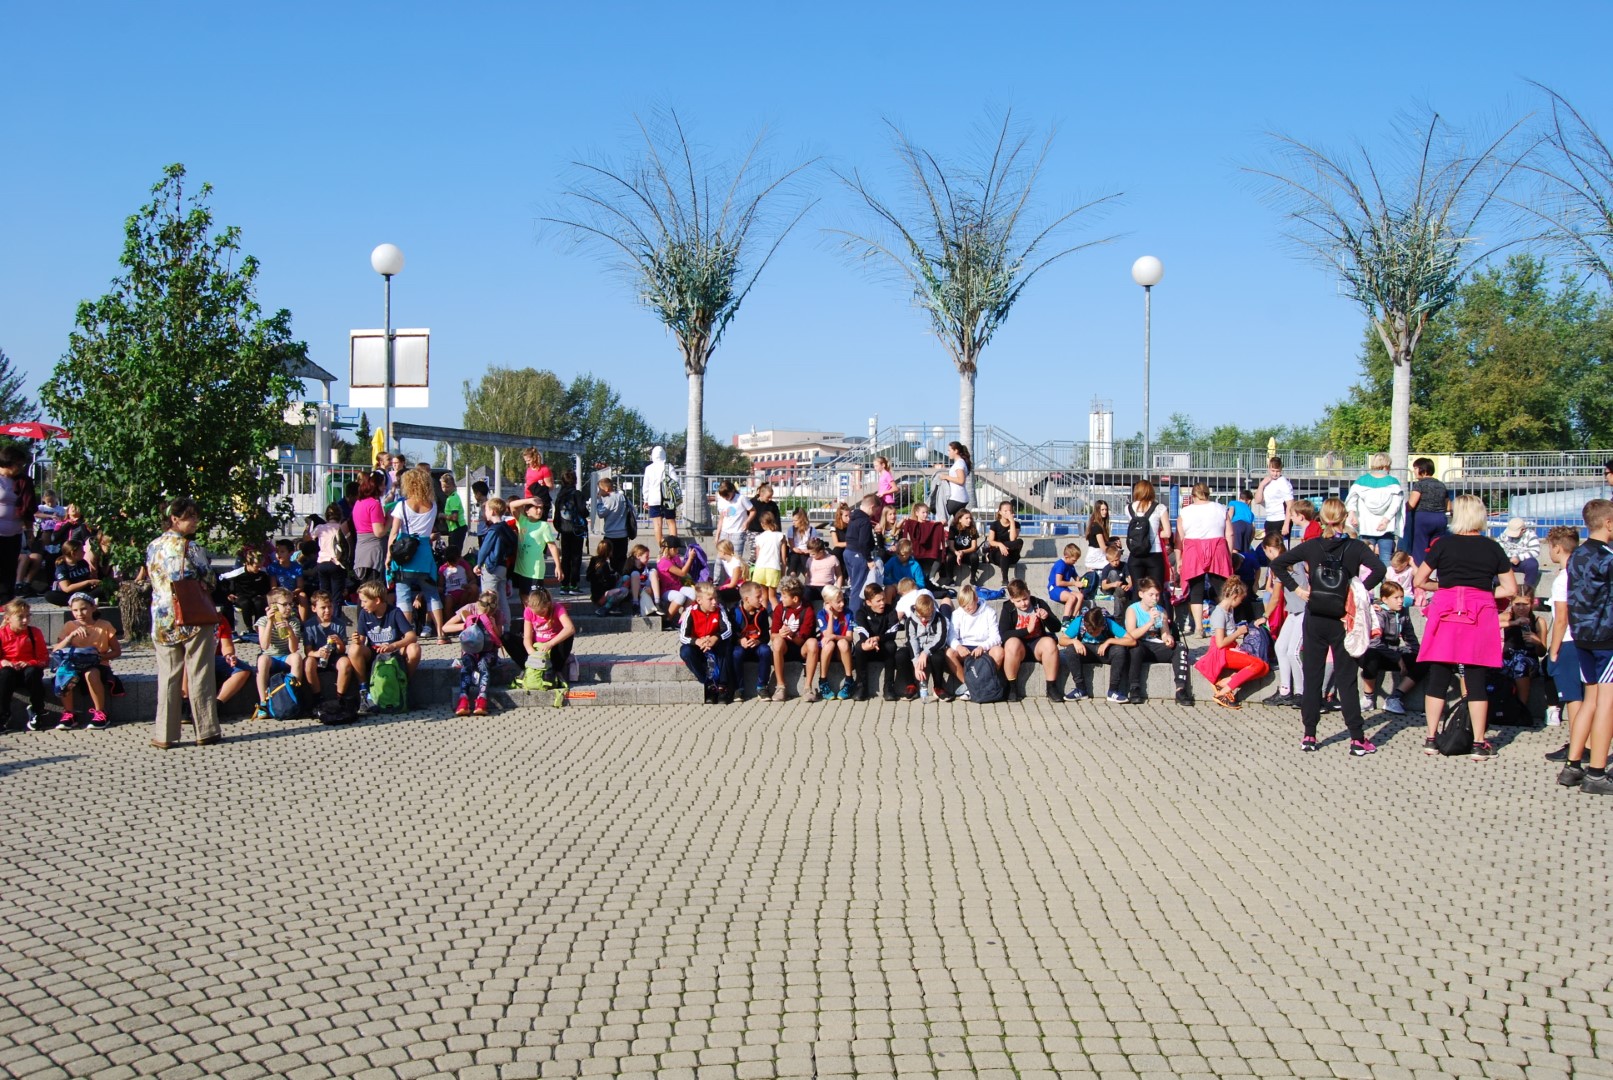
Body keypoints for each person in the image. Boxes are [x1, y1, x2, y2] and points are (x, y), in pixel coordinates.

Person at [1272, 498, 1386, 755]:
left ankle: (1309, 735)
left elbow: (1277, 563)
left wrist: (1297, 589)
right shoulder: (1355, 547)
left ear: (1321, 519)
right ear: (1344, 518)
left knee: (1312, 676)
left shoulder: (1312, 545)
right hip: (1342, 618)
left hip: (1315, 616)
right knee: (1346, 679)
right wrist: (1356, 591)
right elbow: (1379, 569)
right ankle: (1357, 739)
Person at [1413, 494, 1514, 760]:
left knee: (1438, 674)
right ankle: (1479, 743)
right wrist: (1483, 593)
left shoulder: (1443, 545)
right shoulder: (1492, 548)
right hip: (1479, 613)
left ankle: (1431, 738)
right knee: (1476, 677)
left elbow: (1419, 580)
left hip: (1446, 610)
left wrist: (1444, 587)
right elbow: (1510, 588)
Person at [147, 498, 220, 748]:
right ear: (175, 518)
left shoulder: (153, 546)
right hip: (192, 614)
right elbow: (210, 579)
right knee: (199, 672)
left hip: (162, 617)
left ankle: (164, 734)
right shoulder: (191, 547)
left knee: (168, 675)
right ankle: (206, 730)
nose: (196, 521)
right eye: (191, 517)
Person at [1560, 500, 1613, 793]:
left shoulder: (1577, 554)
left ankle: (1572, 765)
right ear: (1608, 523)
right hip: (1607, 636)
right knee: (1607, 702)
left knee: (1590, 698)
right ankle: (1596, 773)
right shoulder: (1608, 557)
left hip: (1581, 635)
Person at [387, 467, 446, 641]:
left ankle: (408, 635)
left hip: (405, 556)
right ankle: (440, 634)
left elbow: (393, 533)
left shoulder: (402, 506)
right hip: (425, 554)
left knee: (403, 595)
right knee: (432, 594)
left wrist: (388, 557)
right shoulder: (433, 506)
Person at [1194, 578, 1270, 710]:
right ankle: (1222, 693)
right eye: (1240, 599)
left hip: (1230, 648)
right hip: (1221, 653)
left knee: (1265, 668)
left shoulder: (1229, 610)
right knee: (1257, 664)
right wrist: (1238, 632)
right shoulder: (1219, 613)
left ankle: (1226, 682)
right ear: (1234, 596)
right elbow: (1220, 643)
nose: (1240, 602)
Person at [349, 579, 420, 712]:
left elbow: (412, 636)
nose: (362, 605)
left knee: (414, 648)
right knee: (353, 649)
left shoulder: (395, 612)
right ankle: (364, 691)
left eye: (364, 601)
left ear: (377, 600)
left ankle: (403, 684)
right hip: (374, 654)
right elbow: (361, 640)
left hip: (393, 654)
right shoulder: (364, 614)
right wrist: (356, 640)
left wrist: (393, 646)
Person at [1544, 527, 1584, 759]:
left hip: (1568, 642)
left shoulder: (1563, 579)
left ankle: (1576, 747)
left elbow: (1561, 618)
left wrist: (1554, 649)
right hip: (1586, 640)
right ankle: (1586, 744)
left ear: (1557, 548)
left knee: (1573, 698)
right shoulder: (1583, 572)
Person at [54, 592, 121, 730]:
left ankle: (100, 712)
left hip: (98, 664)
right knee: (64, 672)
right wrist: (70, 637)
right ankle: (69, 714)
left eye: (83, 609)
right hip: (75, 664)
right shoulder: (69, 626)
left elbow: (116, 651)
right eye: (75, 610)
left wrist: (100, 657)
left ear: (93, 607)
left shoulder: (104, 625)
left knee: (91, 673)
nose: (79, 613)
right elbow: (56, 651)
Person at [1176, 483, 1234, 639]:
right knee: (1222, 588)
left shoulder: (1185, 512)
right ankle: (1226, 625)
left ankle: (1199, 628)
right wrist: (1228, 555)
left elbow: (1179, 538)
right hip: (1217, 547)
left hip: (1192, 548)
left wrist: (1179, 558)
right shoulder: (1221, 508)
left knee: (1196, 589)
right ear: (1208, 494)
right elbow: (1229, 534)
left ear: (1193, 496)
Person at [1123, 577, 1193, 706]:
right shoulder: (1132, 610)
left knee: (1179, 647)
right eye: (1151, 595)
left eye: (1157, 595)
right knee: (1135, 648)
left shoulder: (1161, 610)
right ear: (1141, 594)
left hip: (1155, 645)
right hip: (1140, 645)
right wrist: (1150, 622)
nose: (1155, 598)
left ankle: (1180, 689)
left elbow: (1164, 632)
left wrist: (1168, 638)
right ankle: (1134, 687)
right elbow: (1131, 635)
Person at [1357, 581, 1421, 716]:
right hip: (1376, 653)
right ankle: (1368, 698)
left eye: (1402, 597)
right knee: (1371, 654)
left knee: (1423, 661)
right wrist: (1397, 658)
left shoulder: (1403, 612)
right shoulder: (1378, 613)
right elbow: (1375, 642)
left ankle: (1395, 697)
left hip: (1393, 653)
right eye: (1396, 598)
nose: (1400, 601)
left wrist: (1415, 653)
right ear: (1385, 599)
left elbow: (1411, 639)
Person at [999, 580, 1063, 702]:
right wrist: (1027, 630)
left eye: (1025, 599)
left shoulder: (1038, 603)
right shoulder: (1008, 608)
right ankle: (1011, 688)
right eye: (1018, 601)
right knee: (1011, 643)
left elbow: (1057, 628)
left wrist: (1047, 618)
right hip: (1018, 648)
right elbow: (1003, 634)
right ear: (1012, 599)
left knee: (1049, 643)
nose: (1023, 603)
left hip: (1037, 645)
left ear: (1029, 593)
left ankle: (1051, 687)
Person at [445, 590, 504, 715]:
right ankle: (463, 699)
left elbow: (499, 637)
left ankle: (482, 699)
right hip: (471, 650)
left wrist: (492, 625)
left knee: (483, 664)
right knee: (466, 664)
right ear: (477, 604)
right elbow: (445, 627)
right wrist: (467, 625)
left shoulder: (497, 613)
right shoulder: (469, 609)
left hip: (489, 651)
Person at [1060, 605, 1134, 703]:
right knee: (1070, 650)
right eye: (1090, 632)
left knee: (1119, 650)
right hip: (1086, 652)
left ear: (1102, 626)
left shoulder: (1108, 623)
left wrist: (1109, 641)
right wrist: (1074, 641)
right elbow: (1061, 640)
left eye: (1097, 632)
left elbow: (1131, 641)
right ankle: (1080, 689)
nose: (1093, 635)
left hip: (1104, 652)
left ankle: (1113, 691)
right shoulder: (1079, 622)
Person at [250, 588, 304, 720]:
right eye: (284, 604)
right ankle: (263, 702)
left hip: (286, 656)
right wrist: (270, 622)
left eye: (290, 604)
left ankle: (293, 696)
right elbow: (264, 646)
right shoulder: (263, 621)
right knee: (262, 660)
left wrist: (289, 630)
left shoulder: (294, 621)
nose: (288, 607)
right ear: (273, 606)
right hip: (270, 657)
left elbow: (293, 649)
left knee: (297, 657)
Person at [945, 583, 1004, 698]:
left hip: (984, 647)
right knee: (949, 653)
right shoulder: (957, 614)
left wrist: (982, 647)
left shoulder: (989, 612)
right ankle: (969, 685)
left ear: (976, 599)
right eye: (963, 605)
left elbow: (996, 637)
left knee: (999, 652)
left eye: (969, 604)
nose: (966, 608)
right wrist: (958, 647)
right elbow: (951, 636)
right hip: (965, 647)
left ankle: (983, 684)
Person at [1344, 453, 1405, 565]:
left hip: (1365, 525)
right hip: (1386, 527)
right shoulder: (1393, 482)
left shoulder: (1361, 481)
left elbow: (1351, 499)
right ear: (1387, 465)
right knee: (1386, 558)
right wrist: (1386, 520)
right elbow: (1396, 504)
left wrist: (1352, 514)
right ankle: (1386, 577)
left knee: (1364, 558)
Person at [678, 582, 733, 704]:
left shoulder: (720, 609)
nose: (714, 602)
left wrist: (714, 638)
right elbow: (682, 636)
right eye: (710, 599)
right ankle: (708, 684)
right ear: (699, 600)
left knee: (727, 646)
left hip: (715, 644)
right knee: (685, 651)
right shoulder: (690, 611)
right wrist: (697, 641)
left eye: (716, 598)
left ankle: (723, 686)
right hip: (699, 646)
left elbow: (728, 630)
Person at [0, 599, 48, 730]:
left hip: (28, 673)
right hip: (9, 674)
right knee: (5, 674)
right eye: (20, 617)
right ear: (8, 619)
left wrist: (28, 663)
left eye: (28, 616)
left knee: (33, 672)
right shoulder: (1, 634)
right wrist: (3, 662)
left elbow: (44, 658)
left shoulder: (34, 632)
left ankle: (37, 710)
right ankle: (3, 714)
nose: (25, 620)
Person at [1123, 480, 1171, 611]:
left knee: (1137, 591)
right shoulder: (1159, 508)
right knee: (1156, 590)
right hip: (1154, 554)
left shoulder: (1128, 508)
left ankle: (1135, 619)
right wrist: (1156, 532)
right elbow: (1167, 533)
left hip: (1135, 555)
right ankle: (1158, 620)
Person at [767, 577, 816, 702]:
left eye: (784, 596)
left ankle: (808, 688)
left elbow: (801, 641)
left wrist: (792, 634)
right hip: (785, 648)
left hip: (801, 648)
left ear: (795, 599)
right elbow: (773, 635)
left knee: (813, 643)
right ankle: (780, 687)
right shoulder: (780, 608)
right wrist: (780, 634)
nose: (781, 599)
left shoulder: (807, 610)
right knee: (777, 641)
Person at [1500, 587, 1546, 720]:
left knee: (1520, 662)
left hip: (1528, 660)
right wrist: (1513, 623)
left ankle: (1520, 709)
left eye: (1525, 604)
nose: (1521, 608)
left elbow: (1542, 652)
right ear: (1511, 603)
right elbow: (1488, 624)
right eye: (1517, 604)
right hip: (1507, 657)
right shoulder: (1506, 617)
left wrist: (1537, 642)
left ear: (1531, 603)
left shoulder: (1538, 621)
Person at [896, 592, 952, 701]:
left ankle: (938, 687)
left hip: (933, 648)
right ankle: (911, 685)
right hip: (917, 647)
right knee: (901, 655)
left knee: (938, 657)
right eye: (920, 616)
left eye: (927, 617)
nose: (923, 620)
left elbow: (941, 640)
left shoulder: (940, 619)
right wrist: (916, 663)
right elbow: (911, 640)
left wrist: (925, 652)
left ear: (932, 610)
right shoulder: (910, 620)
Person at [0, 443, 37, 605]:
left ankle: (6, 601)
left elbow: (28, 508)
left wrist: (29, 531)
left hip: (14, 532)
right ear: (8, 462)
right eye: (18, 464)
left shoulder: (22, 482)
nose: (21, 467)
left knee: (9, 567)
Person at [301, 591, 353, 704]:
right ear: (314, 608)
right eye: (323, 608)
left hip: (334, 657)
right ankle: (317, 698)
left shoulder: (339, 623)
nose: (327, 610)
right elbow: (308, 651)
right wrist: (317, 653)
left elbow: (342, 650)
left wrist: (339, 642)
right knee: (308, 663)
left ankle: (340, 698)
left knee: (345, 663)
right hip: (317, 658)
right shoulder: (309, 625)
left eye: (330, 607)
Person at [851, 583, 900, 701]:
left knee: (891, 645)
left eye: (883, 599)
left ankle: (889, 686)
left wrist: (878, 639)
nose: (882, 603)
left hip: (883, 647)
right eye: (878, 601)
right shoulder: (861, 612)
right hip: (869, 647)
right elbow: (862, 630)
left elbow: (892, 633)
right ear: (869, 602)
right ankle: (861, 686)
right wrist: (868, 642)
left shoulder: (891, 610)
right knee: (859, 647)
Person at [472, 497, 516, 625]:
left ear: (493, 511)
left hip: (491, 567)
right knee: (502, 600)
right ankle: (506, 628)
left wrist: (478, 564)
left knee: (488, 600)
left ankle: (488, 628)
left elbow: (484, 549)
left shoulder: (493, 530)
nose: (485, 513)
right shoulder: (506, 528)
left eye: (486, 510)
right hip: (503, 567)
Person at [727, 582, 773, 700]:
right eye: (758, 596)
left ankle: (762, 687)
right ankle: (738, 689)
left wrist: (759, 641)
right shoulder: (734, 612)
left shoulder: (762, 612)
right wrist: (739, 640)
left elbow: (766, 636)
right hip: (741, 647)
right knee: (736, 653)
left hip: (756, 647)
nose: (761, 599)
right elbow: (729, 635)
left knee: (766, 650)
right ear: (747, 599)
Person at [810, 585, 856, 701]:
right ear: (828, 603)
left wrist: (835, 636)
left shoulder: (848, 613)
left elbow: (850, 638)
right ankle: (823, 681)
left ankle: (849, 680)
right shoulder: (821, 615)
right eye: (838, 602)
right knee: (829, 644)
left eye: (843, 600)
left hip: (843, 651)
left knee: (842, 642)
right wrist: (830, 616)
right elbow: (827, 636)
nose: (842, 604)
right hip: (828, 650)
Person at [509, 498, 561, 596]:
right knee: (523, 596)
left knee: (535, 599)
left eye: (541, 508)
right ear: (527, 511)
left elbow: (552, 546)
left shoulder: (543, 526)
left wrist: (558, 566)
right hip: (520, 569)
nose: (539, 511)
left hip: (535, 571)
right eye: (536, 508)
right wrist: (529, 501)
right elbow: (512, 505)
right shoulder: (522, 521)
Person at [1404, 458, 1450, 565]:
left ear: (1423, 469)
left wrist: (1401, 509)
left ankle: (1420, 571)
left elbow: (1411, 504)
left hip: (1423, 518)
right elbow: (1448, 507)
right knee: (1438, 547)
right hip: (1440, 518)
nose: (1414, 471)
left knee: (1420, 548)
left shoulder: (1419, 484)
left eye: (1415, 468)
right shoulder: (1441, 485)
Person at [552, 470, 587, 592]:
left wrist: (559, 527)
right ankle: (574, 584)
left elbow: (557, 514)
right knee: (576, 557)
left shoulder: (560, 495)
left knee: (566, 557)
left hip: (564, 529)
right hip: (577, 529)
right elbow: (583, 511)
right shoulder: (577, 494)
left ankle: (564, 584)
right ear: (575, 481)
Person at [350, 473, 388, 586]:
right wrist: (390, 520)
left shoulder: (359, 502)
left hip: (361, 552)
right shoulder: (374, 504)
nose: (384, 487)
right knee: (374, 590)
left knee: (364, 591)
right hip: (373, 553)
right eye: (382, 485)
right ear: (376, 487)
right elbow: (379, 532)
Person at [843, 495, 876, 616]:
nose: (874, 514)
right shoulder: (865, 521)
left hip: (848, 552)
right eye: (875, 510)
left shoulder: (853, 517)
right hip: (858, 555)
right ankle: (855, 617)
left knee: (854, 585)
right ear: (872, 507)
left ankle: (853, 613)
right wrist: (869, 559)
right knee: (858, 587)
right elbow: (863, 543)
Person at [308, 504, 349, 602]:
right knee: (337, 594)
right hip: (336, 562)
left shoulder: (320, 527)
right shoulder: (342, 527)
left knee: (324, 594)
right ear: (340, 515)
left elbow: (308, 538)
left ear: (326, 515)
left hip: (322, 562)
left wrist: (309, 525)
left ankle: (323, 609)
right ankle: (336, 611)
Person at [592, 477, 631, 574]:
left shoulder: (609, 499)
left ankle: (612, 578)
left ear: (606, 489)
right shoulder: (622, 497)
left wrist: (599, 501)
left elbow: (601, 513)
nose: (599, 492)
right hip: (623, 534)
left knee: (610, 558)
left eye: (600, 489)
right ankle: (622, 578)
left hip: (611, 534)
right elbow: (633, 511)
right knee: (622, 559)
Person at [651, 539, 699, 619]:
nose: (678, 551)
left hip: (678, 587)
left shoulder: (675, 558)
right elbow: (682, 573)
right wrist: (690, 558)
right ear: (672, 549)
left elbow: (683, 569)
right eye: (677, 549)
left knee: (693, 593)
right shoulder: (664, 561)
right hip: (666, 591)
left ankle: (684, 617)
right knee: (680, 597)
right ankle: (668, 619)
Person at [47, 539, 100, 608]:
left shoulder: (83, 562)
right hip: (71, 593)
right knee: (49, 595)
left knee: (103, 588)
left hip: (85, 591)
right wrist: (88, 582)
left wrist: (93, 582)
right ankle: (82, 600)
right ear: (73, 553)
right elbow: (67, 588)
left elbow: (88, 577)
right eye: (81, 551)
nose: (84, 552)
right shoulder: (62, 567)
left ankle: (83, 600)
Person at [642, 445, 677, 547]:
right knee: (671, 522)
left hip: (654, 499)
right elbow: (676, 481)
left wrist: (646, 499)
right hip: (668, 498)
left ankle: (661, 548)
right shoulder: (668, 466)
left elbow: (646, 486)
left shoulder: (649, 468)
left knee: (657, 524)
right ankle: (673, 547)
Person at [750, 511, 787, 608]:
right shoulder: (781, 536)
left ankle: (764, 616)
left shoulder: (758, 537)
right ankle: (778, 616)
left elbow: (757, 556)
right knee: (773, 597)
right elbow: (783, 558)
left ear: (762, 524)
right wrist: (783, 572)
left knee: (764, 597)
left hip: (760, 568)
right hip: (773, 568)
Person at [1254, 457, 1293, 542]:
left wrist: (1286, 524)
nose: (1275, 474)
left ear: (1281, 470)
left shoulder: (1283, 483)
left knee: (1280, 548)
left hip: (1281, 519)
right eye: (1273, 471)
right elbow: (1258, 500)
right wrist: (1261, 485)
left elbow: (1290, 504)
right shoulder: (1267, 482)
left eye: (1277, 471)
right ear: (1268, 468)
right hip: (1269, 519)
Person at [1499, 518, 1542, 592]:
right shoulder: (1504, 535)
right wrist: (1507, 558)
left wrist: (1519, 558)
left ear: (1523, 530)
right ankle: (1497, 587)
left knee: (1532, 564)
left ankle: (1527, 590)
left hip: (1523, 561)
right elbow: (1498, 547)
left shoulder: (1530, 535)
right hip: (1507, 561)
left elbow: (1535, 551)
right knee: (1495, 564)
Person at [985, 502, 1023, 586]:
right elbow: (991, 541)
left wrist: (1012, 522)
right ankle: (1005, 580)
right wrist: (1000, 545)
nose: (1008, 513)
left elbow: (1013, 539)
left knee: (1019, 541)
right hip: (997, 553)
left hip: (1012, 554)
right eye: (1005, 511)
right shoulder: (994, 524)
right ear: (1000, 512)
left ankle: (1004, 549)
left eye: (1010, 511)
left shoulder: (1016, 524)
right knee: (1004, 554)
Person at [744, 483, 782, 563]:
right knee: (755, 554)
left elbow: (777, 520)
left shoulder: (773, 505)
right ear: (761, 494)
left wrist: (778, 533)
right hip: (753, 531)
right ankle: (749, 568)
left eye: (771, 497)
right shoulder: (752, 503)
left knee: (767, 552)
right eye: (768, 497)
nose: (770, 499)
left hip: (768, 532)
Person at [714, 480, 752, 560]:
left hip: (738, 533)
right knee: (720, 559)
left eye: (727, 495)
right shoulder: (721, 501)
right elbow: (721, 518)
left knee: (735, 559)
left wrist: (747, 522)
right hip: (724, 532)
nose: (726, 498)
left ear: (732, 490)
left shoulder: (741, 498)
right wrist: (717, 535)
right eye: (724, 496)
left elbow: (753, 511)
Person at [948, 508, 984, 587]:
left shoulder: (972, 529)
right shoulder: (953, 528)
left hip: (967, 553)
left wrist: (963, 552)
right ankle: (950, 579)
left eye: (970, 518)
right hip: (955, 553)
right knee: (949, 557)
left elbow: (974, 547)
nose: (969, 520)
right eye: (966, 518)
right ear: (960, 519)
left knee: (974, 556)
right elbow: (951, 546)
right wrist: (957, 553)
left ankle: (973, 579)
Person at [802, 537, 842, 607]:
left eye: (813, 554)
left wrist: (838, 589)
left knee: (831, 597)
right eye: (810, 553)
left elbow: (839, 575)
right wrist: (806, 584)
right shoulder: (810, 560)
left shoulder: (832, 558)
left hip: (827, 586)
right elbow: (807, 575)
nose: (811, 555)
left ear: (821, 552)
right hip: (812, 586)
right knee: (806, 594)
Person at [936, 441, 973, 518]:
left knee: (941, 516)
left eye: (949, 450)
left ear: (956, 451)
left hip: (957, 497)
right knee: (957, 522)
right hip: (959, 497)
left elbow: (961, 480)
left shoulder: (959, 463)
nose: (948, 453)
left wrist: (946, 477)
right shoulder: (959, 463)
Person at [1048, 543, 1084, 619]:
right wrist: (1074, 583)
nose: (1075, 562)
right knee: (1072, 598)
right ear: (1066, 557)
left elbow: (1077, 578)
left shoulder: (1071, 566)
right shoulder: (1061, 565)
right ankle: (1065, 619)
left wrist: (1083, 583)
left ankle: (1073, 617)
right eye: (1074, 560)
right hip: (1055, 589)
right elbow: (1058, 582)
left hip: (1064, 589)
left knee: (1080, 596)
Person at [439, 473, 468, 560]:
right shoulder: (450, 497)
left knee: (454, 555)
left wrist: (442, 516)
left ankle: (460, 567)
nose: (445, 489)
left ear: (454, 486)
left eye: (447, 487)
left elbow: (455, 517)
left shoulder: (453, 498)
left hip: (457, 529)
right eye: (443, 487)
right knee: (454, 553)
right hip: (454, 529)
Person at [785, 508, 817, 578]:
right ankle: (792, 577)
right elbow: (792, 546)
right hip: (794, 551)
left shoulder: (811, 530)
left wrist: (807, 551)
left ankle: (808, 578)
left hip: (806, 551)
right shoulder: (791, 529)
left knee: (805, 560)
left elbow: (812, 545)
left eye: (795, 520)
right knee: (794, 558)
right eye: (793, 520)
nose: (793, 522)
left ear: (802, 520)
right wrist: (796, 550)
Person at [1084, 501, 1112, 571]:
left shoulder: (1098, 525)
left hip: (1098, 555)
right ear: (1097, 511)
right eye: (1102, 510)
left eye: (1106, 509)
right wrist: (1115, 551)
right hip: (1096, 557)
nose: (1105, 512)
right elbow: (1103, 547)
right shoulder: (1097, 527)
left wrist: (1112, 543)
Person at [1228, 490, 1257, 554]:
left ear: (1239, 498)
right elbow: (1253, 529)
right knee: (1245, 552)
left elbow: (1231, 512)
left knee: (1235, 549)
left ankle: (1234, 559)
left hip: (1237, 525)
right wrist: (1249, 542)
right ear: (1249, 501)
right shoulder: (1250, 512)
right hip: (1248, 527)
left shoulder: (1233, 502)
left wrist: (1227, 524)